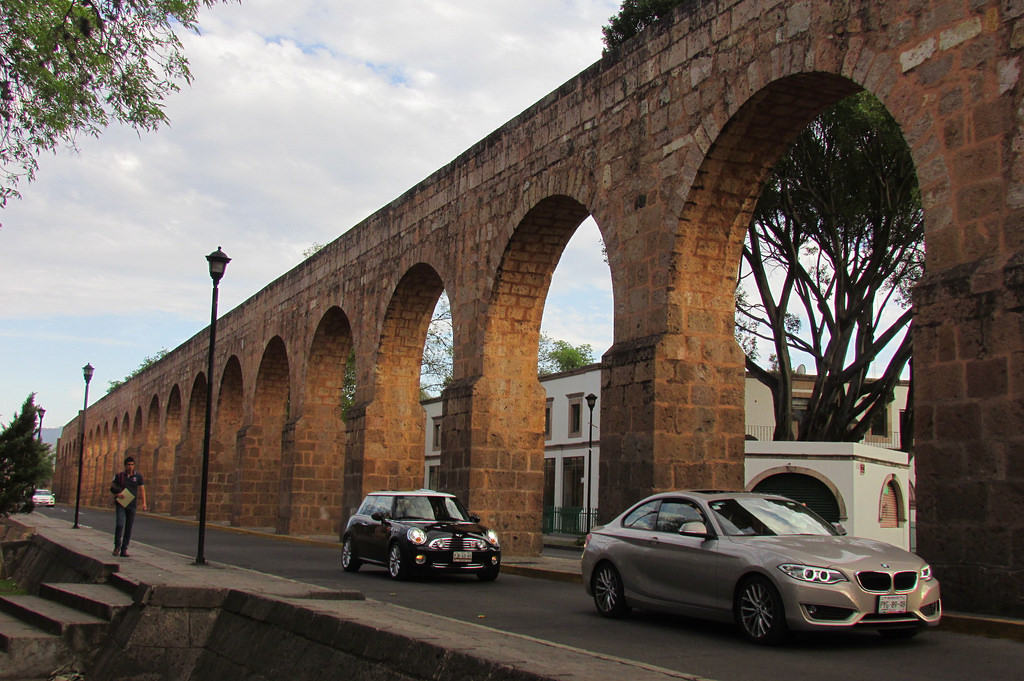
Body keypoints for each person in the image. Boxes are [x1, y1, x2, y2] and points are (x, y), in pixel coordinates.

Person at [110, 456, 147, 557]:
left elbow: (142, 490)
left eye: (132, 465)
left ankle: (124, 549)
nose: (130, 467)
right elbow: (112, 488)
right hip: (121, 503)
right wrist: (117, 494)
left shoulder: (138, 477)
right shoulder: (119, 476)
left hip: (132, 504)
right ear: (125, 465)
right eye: (128, 465)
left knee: (129, 527)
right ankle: (117, 546)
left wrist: (144, 503)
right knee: (120, 524)